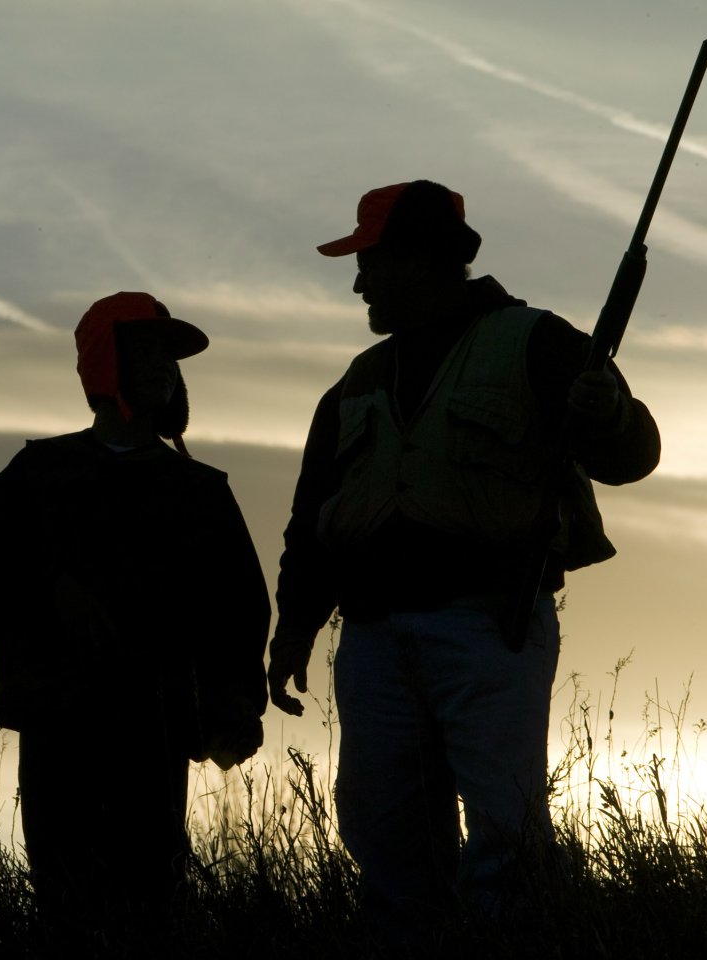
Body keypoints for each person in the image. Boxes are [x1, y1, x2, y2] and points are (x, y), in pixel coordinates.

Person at [267, 180, 661, 922]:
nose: (358, 282)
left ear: (420, 259)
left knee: (504, 829)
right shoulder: (355, 382)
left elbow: (630, 455)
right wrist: (295, 625)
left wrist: (607, 415)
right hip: (373, 635)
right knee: (382, 828)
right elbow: (313, 518)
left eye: (370, 262)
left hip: (488, 626)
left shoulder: (538, 342)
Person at [0, 291, 270, 933]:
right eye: (146, 352)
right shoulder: (41, 472)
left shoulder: (202, 491)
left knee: (152, 899)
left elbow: (241, 613)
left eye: (170, 359)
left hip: (155, 725)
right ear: (104, 366)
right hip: (59, 722)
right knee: (64, 900)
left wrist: (235, 707)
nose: (165, 369)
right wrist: (49, 590)